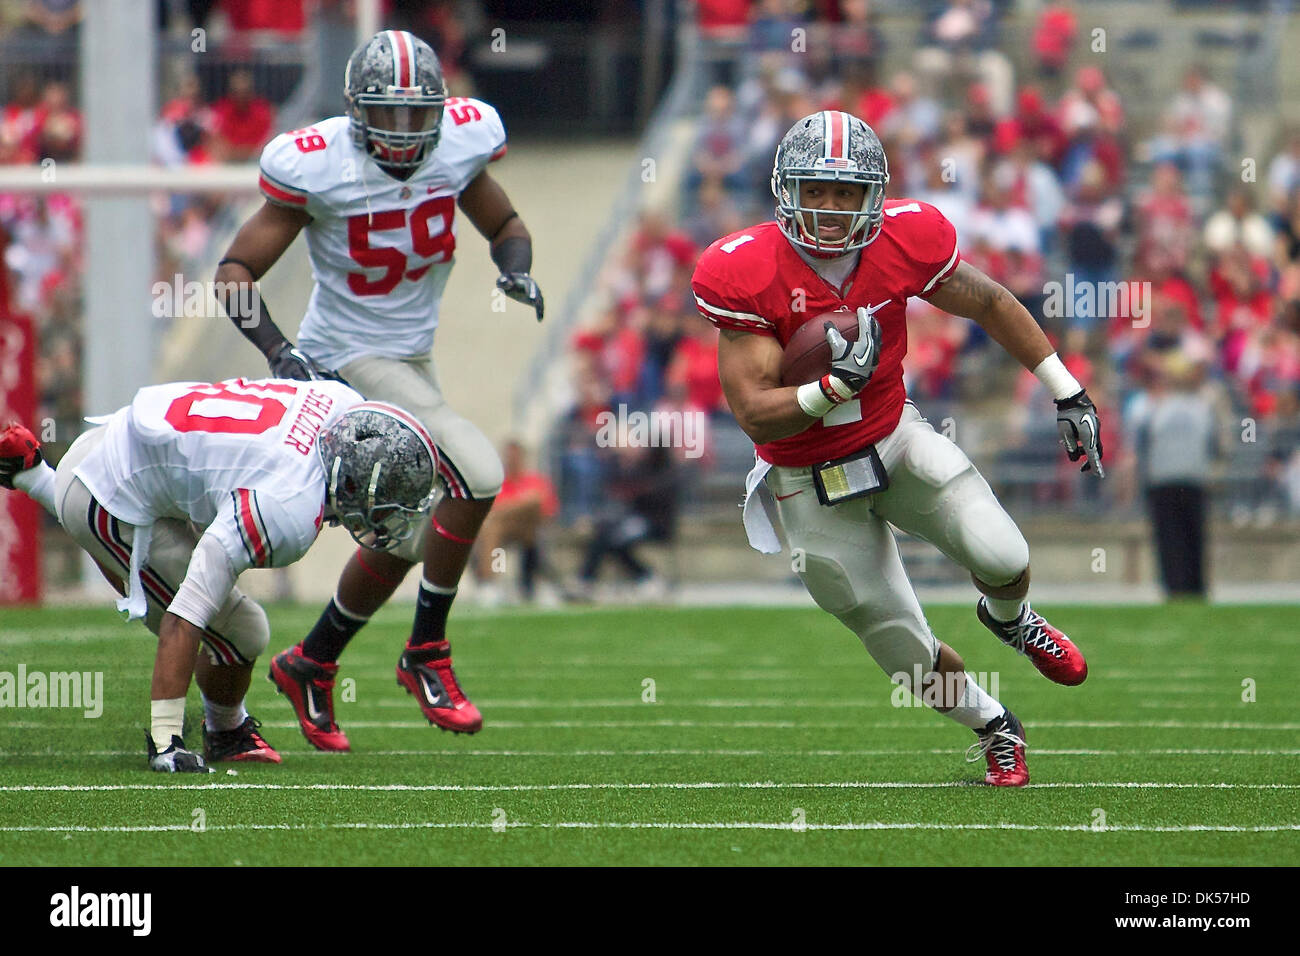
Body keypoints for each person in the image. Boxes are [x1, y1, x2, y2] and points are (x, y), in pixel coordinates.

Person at [691, 111, 1104, 787]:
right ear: (785, 188)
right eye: (814, 190)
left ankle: (1011, 621)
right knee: (899, 648)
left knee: (1004, 554)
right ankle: (995, 725)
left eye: (844, 192)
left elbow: (992, 302)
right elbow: (756, 416)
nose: (827, 207)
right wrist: (828, 389)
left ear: (872, 196)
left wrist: (1065, 389)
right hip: (806, 479)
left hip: (892, 436)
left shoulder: (907, 238)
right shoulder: (744, 270)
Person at [214, 30, 543, 751]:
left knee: (404, 534)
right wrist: (279, 350)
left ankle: (313, 660)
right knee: (481, 472)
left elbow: (505, 222)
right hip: (346, 357)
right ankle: (427, 651)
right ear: (356, 113)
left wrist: (515, 265)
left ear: (441, 108)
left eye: (414, 114)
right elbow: (234, 272)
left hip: (412, 358)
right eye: (384, 115)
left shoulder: (461, 142)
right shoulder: (320, 165)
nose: (401, 131)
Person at [0, 379, 439, 772]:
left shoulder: (338, 401)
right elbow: (187, 611)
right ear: (349, 480)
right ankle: (222, 733)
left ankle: (34, 474)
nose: (386, 515)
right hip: (106, 496)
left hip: (117, 441)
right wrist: (166, 740)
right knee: (242, 630)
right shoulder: (288, 506)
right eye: (385, 501)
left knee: (225, 606)